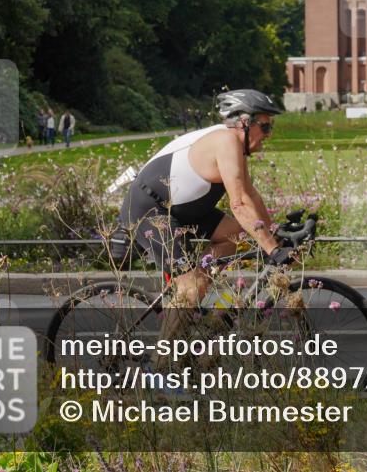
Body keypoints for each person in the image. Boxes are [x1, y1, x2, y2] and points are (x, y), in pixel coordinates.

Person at [117, 89, 288, 340]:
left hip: (181, 210)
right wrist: (273, 249)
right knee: (190, 287)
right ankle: (157, 369)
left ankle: (196, 287)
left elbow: (251, 195)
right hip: (151, 210)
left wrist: (274, 233)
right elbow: (239, 204)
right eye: (264, 127)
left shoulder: (233, 147)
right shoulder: (225, 141)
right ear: (244, 122)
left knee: (235, 235)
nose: (268, 135)